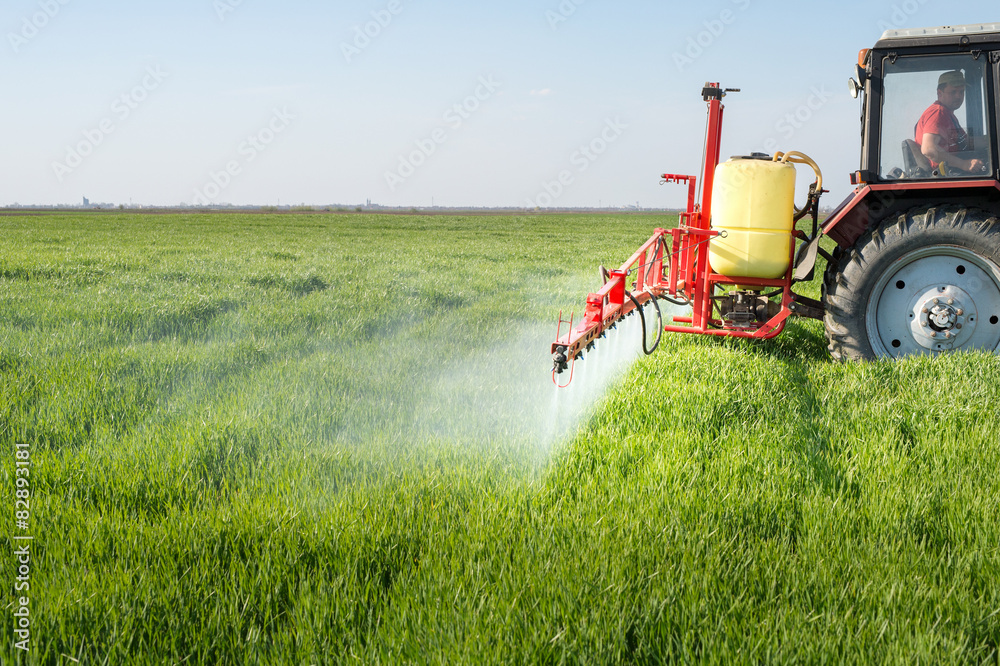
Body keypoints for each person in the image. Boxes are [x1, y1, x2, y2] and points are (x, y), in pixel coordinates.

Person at [914, 70, 984, 173]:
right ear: (939, 93)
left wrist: (992, 141)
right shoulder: (938, 112)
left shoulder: (949, 115)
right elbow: (928, 149)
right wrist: (964, 164)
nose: (958, 96)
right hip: (945, 174)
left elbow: (966, 142)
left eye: (961, 92)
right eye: (953, 92)